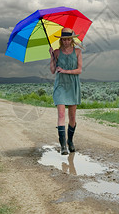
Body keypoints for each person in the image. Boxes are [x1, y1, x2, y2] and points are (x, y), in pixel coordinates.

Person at [49, 27, 82, 155]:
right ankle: (63, 146)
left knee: (72, 117)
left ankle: (70, 141)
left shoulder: (78, 52)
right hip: (61, 85)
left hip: (73, 85)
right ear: (61, 40)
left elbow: (79, 70)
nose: (66, 41)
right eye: (64, 39)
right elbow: (52, 70)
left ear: (72, 40)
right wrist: (51, 56)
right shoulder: (57, 52)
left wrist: (66, 71)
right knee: (61, 115)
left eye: (68, 39)